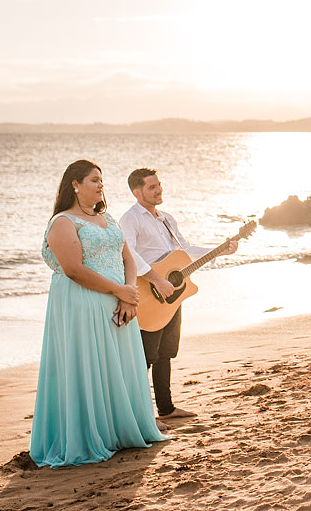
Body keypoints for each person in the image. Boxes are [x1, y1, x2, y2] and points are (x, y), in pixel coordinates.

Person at [29, 160, 167, 468]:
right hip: (84, 305)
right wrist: (118, 291)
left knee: (118, 367)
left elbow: (128, 259)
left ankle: (122, 429)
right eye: (94, 180)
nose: (101, 185)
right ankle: (93, 435)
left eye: (101, 180)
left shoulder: (108, 219)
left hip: (120, 305)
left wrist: (130, 295)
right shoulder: (63, 222)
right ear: (75, 184)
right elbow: (73, 270)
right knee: (89, 367)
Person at [120, 168, 237, 423]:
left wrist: (220, 250)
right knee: (145, 357)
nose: (159, 190)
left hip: (172, 296)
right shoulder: (131, 219)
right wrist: (156, 280)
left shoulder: (167, 219)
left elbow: (185, 250)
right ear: (137, 192)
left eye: (159, 185)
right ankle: (140, 416)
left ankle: (166, 409)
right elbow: (128, 254)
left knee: (166, 353)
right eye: (152, 187)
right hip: (150, 295)